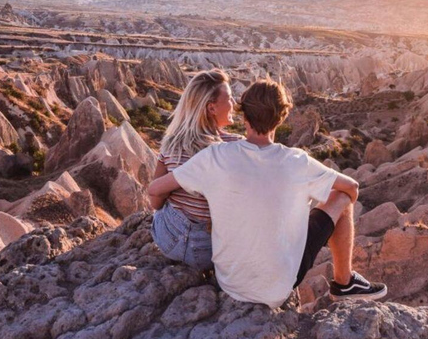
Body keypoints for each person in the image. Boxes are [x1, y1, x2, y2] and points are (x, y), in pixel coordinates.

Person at [148, 79, 387, 307]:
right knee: (341, 198)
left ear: (244, 116)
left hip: (229, 282)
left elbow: (155, 189)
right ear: (282, 117)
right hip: (279, 287)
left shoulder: (215, 156)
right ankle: (344, 283)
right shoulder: (297, 161)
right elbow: (352, 187)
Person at [149, 69, 241, 271]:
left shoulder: (171, 144)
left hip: (169, 241)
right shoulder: (236, 147)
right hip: (213, 251)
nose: (234, 104)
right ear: (211, 108)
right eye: (230, 99)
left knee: (162, 209)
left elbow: (156, 202)